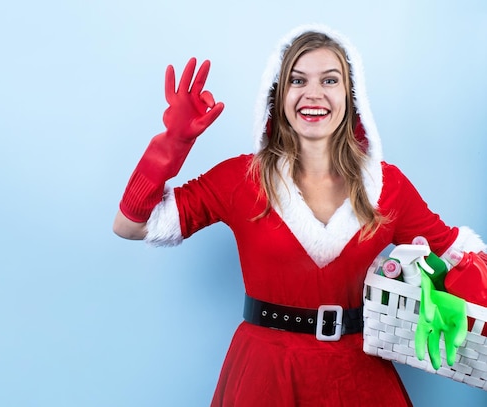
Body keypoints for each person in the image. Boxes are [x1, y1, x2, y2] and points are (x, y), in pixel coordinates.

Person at [112, 24, 487, 406]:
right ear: (278, 95)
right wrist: (171, 145)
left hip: (360, 378)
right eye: (297, 80)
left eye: (329, 80)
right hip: (264, 374)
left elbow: (460, 257)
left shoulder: (386, 186)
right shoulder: (240, 179)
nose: (313, 94)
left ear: (350, 95)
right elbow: (131, 225)